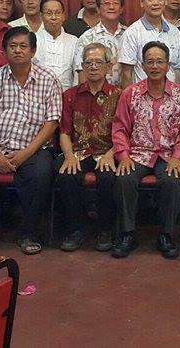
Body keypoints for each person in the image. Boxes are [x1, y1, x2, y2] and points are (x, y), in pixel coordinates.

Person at [0, 26, 62, 256]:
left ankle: (29, 233)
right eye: (12, 46)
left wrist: (26, 153)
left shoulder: (48, 79)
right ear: (4, 50)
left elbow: (52, 123)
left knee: (41, 173)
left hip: (34, 148)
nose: (18, 50)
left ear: (33, 51)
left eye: (23, 46)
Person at [111, 41, 180, 259]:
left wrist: (178, 157)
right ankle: (128, 233)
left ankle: (166, 235)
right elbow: (120, 128)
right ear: (143, 65)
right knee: (124, 178)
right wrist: (123, 156)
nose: (155, 66)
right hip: (138, 152)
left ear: (168, 65)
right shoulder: (130, 93)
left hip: (168, 154)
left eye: (160, 62)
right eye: (150, 62)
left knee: (172, 182)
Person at [56, 42, 121, 252]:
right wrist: (68, 155)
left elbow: (124, 133)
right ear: (82, 66)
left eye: (98, 62)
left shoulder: (119, 95)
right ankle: (75, 230)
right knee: (67, 175)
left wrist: (111, 154)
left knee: (108, 177)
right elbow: (64, 131)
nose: (93, 66)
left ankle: (105, 230)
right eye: (88, 62)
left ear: (109, 66)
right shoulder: (70, 95)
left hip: (108, 151)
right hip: (78, 151)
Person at [118, 0, 180, 86]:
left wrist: (175, 94)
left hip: (170, 95)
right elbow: (126, 73)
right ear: (142, 2)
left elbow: (177, 70)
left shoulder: (175, 32)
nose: (155, 3)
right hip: (142, 95)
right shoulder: (132, 33)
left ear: (165, 1)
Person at [74, 0, 127, 86]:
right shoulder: (87, 38)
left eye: (115, 3)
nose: (111, 7)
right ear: (98, 8)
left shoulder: (129, 34)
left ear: (121, 9)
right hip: (97, 94)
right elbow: (82, 76)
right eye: (106, 3)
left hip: (126, 93)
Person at [34, 0, 79, 91]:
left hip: (67, 95)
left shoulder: (74, 41)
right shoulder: (33, 39)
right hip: (38, 94)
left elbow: (77, 74)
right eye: (49, 13)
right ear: (41, 16)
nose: (53, 17)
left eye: (58, 13)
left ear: (63, 16)